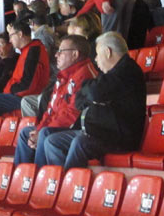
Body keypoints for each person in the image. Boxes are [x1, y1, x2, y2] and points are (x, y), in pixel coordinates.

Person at [41, 32, 146, 170]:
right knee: (52, 141)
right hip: (99, 132)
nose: (96, 59)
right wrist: (89, 93)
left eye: (97, 54)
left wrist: (89, 94)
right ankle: (61, 182)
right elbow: (82, 97)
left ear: (108, 52)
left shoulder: (128, 70)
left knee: (81, 142)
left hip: (119, 138)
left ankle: (69, 185)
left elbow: (95, 92)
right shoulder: (110, 74)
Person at [14, 35, 99, 166]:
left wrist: (41, 131)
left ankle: (41, 180)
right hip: (61, 125)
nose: (56, 55)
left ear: (75, 54)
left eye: (61, 51)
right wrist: (38, 129)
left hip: (77, 128)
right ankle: (20, 177)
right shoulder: (63, 75)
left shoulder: (84, 75)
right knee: (26, 133)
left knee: (45, 133)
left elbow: (71, 115)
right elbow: (50, 109)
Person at [0, 21, 50, 117]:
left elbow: (28, 86)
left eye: (11, 36)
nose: (10, 40)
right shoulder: (27, 50)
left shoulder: (33, 51)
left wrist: (8, 91)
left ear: (20, 34)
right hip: (17, 95)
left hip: (24, 98)